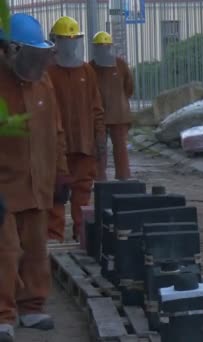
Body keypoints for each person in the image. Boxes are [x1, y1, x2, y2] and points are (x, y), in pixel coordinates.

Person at [0, 13, 69, 342]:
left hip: (38, 182)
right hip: (4, 186)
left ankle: (33, 307)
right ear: (9, 50)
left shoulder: (43, 82)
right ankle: (3, 313)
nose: (36, 62)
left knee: (36, 249)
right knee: (6, 251)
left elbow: (56, 131)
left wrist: (61, 175)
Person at [46, 16, 105, 242]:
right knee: (57, 195)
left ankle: (81, 237)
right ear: (56, 41)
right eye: (66, 39)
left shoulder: (86, 72)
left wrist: (99, 140)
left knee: (82, 195)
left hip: (84, 147)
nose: (71, 44)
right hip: (57, 150)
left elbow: (96, 107)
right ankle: (54, 239)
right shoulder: (47, 73)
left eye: (74, 39)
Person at [89, 31, 134, 181]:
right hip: (99, 115)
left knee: (119, 147)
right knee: (99, 147)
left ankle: (122, 176)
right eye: (100, 47)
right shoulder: (91, 67)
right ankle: (100, 177)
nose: (103, 50)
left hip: (118, 114)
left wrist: (119, 101)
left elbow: (129, 86)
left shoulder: (120, 64)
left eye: (105, 47)